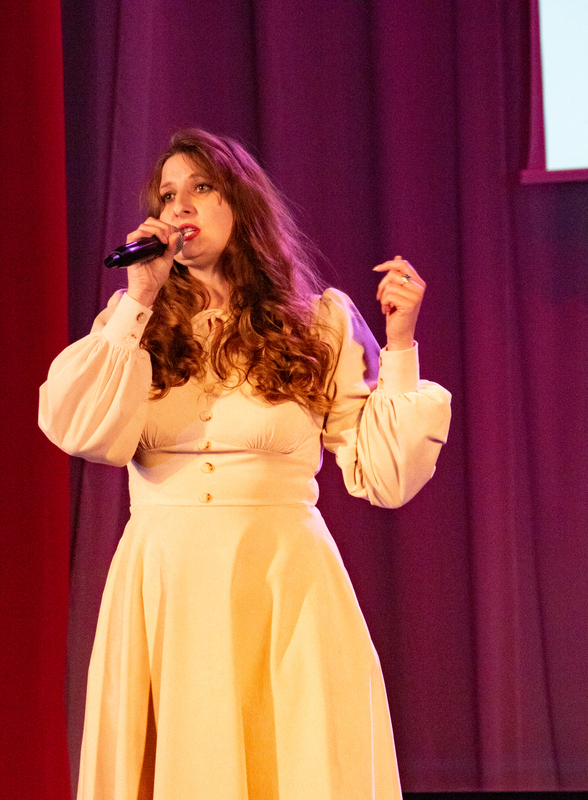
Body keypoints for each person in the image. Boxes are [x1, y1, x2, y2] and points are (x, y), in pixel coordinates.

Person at [39, 129, 451, 800]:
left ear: (242, 204)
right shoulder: (134, 323)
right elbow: (76, 427)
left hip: (280, 583)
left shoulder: (319, 321)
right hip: (165, 587)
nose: (179, 207)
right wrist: (138, 299)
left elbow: (386, 475)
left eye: (200, 187)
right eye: (167, 195)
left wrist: (400, 345)